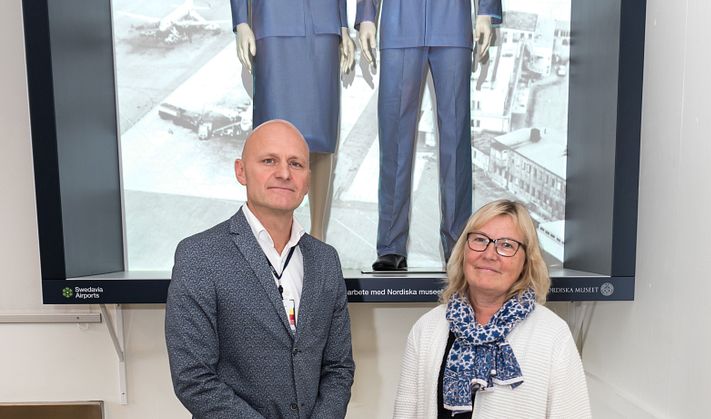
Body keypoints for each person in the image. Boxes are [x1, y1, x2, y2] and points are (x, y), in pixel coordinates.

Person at [165, 120, 354, 418]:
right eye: (269, 161)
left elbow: (339, 368)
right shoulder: (199, 255)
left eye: (296, 163)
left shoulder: (326, 260)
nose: (283, 173)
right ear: (241, 171)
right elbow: (193, 378)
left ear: (307, 180)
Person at [393, 200, 591, 418]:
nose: (489, 254)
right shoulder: (427, 328)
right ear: (463, 251)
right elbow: (405, 411)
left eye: (506, 245)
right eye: (480, 240)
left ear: (526, 261)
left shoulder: (553, 335)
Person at [356, 0, 502, 270]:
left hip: (453, 21)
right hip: (399, 22)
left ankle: (457, 243)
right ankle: (391, 245)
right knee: (394, 139)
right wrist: (367, 15)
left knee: (455, 139)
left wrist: (485, 12)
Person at [230, 0, 355, 242]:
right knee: (271, 138)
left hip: (323, 22)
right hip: (272, 19)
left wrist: (342, 25)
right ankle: (269, 235)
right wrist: (241, 21)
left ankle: (318, 236)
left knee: (321, 132)